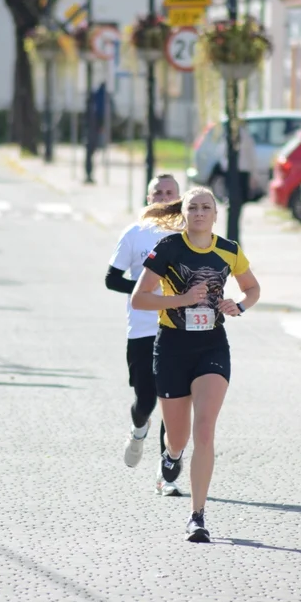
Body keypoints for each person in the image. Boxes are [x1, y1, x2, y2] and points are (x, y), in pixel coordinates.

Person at [131, 187, 261, 542]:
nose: (201, 213)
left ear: (216, 214)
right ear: (184, 214)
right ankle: (171, 456)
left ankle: (197, 516)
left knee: (204, 430)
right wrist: (184, 298)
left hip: (211, 346)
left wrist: (240, 305)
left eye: (207, 207)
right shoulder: (170, 248)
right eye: (194, 207)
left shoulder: (229, 250)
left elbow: (252, 288)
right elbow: (139, 298)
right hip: (172, 346)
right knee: (179, 437)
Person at [105, 174, 180, 485]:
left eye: (169, 192)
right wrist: (149, 294)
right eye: (157, 193)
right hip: (142, 329)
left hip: (179, 329)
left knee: (174, 400)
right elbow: (112, 278)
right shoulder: (135, 233)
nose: (163, 197)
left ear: (179, 198)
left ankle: (169, 473)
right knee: (146, 400)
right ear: (149, 199)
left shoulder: (190, 233)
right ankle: (138, 429)